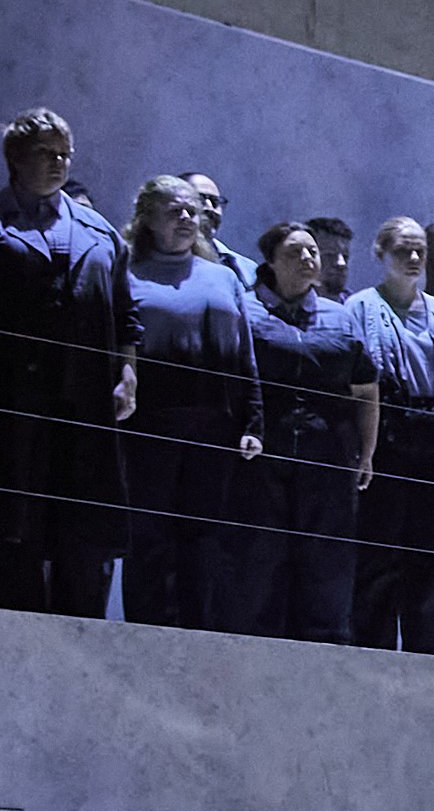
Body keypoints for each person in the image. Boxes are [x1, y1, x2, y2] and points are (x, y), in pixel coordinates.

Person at [0, 105, 132, 620]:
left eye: (65, 154)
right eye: (45, 153)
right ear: (15, 158)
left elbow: (125, 314)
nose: (58, 163)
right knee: (15, 533)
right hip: (14, 405)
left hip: (84, 406)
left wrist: (128, 373)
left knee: (83, 539)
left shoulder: (99, 231)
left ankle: (80, 644)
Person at [221, 220, 378, 643]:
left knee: (326, 568)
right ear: (270, 262)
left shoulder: (340, 318)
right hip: (260, 461)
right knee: (258, 564)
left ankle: (324, 656)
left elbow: (366, 389)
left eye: (312, 252)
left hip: (326, 461)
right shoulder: (244, 311)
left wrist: (366, 453)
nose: (309, 259)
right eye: (295, 252)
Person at [115, 175, 259, 630]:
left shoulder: (224, 277)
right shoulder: (127, 272)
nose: (185, 218)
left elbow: (246, 355)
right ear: (147, 218)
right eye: (173, 210)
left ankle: (198, 638)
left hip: (215, 427)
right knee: (148, 536)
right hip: (149, 427)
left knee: (204, 538)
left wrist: (254, 421)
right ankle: (145, 633)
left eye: (191, 211)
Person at [348, 219, 434, 654]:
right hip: (387, 442)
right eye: (404, 250)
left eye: (420, 250)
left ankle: (426, 658)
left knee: (433, 562)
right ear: (381, 253)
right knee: (379, 558)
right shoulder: (361, 308)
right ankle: (374, 654)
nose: (414, 259)